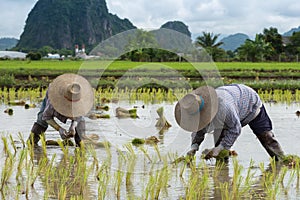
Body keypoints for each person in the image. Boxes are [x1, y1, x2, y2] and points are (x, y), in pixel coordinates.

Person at [174, 84, 284, 161]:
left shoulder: (223, 107)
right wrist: (194, 147)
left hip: (249, 102)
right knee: (220, 151)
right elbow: (199, 130)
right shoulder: (196, 111)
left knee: (266, 137)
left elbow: (235, 129)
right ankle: (222, 177)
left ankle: (283, 161)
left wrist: (221, 148)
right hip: (230, 105)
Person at [28, 73, 94, 147]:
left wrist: (73, 127)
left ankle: (80, 143)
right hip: (54, 91)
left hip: (70, 92)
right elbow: (47, 117)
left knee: (80, 123)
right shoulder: (54, 100)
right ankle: (32, 142)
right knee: (41, 119)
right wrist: (59, 129)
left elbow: (78, 117)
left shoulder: (79, 100)